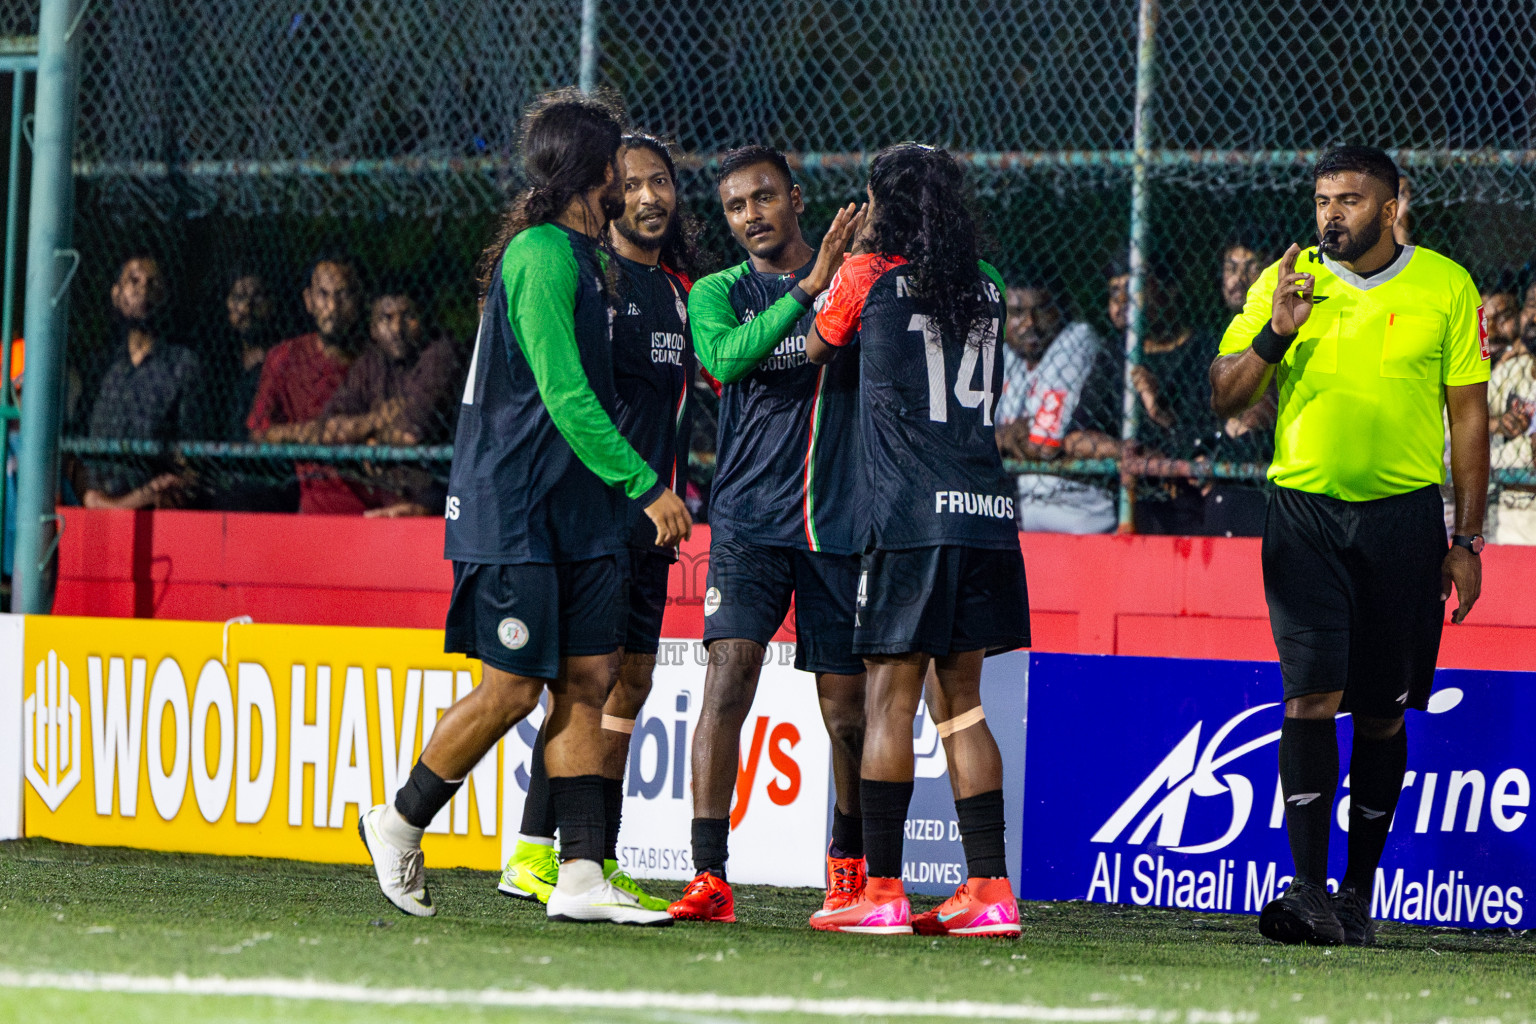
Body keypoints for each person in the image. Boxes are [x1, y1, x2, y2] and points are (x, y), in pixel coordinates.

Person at [357, 89, 689, 927]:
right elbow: (568, 396)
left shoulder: (588, 259)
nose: (629, 178)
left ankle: (579, 874)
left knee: (587, 679)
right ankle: (397, 820)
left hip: (574, 514)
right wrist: (646, 486)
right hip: (515, 511)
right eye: (617, 162)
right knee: (512, 690)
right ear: (593, 171)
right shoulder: (542, 253)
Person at [1210, 145, 1489, 947]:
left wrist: (1466, 538)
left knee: (1380, 714)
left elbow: (1468, 416)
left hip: (1403, 523)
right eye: (1324, 198)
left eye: (1351, 199)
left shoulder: (1445, 284)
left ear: (1394, 203)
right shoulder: (1287, 279)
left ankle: (1357, 895)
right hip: (1303, 518)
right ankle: (1306, 892)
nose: (1332, 213)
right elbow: (1225, 388)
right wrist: (1274, 333)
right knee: (1308, 697)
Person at [804, 143, 1029, 937]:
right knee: (961, 705)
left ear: (882, 205)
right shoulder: (990, 287)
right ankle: (990, 891)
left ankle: (884, 890)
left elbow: (816, 347)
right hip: (986, 512)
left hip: (909, 516)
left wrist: (854, 254)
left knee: (889, 701)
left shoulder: (868, 277)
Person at [498, 132, 699, 912]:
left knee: (630, 683)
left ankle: (594, 857)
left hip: (657, 517)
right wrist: (634, 488)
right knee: (586, 684)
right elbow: (570, 399)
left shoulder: (680, 290)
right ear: (608, 193)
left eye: (662, 182)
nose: (649, 196)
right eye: (633, 183)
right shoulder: (592, 280)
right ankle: (533, 852)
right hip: (603, 513)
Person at [666, 145, 866, 925]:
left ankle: (847, 869)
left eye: (764, 198)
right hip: (747, 518)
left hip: (834, 518)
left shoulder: (857, 282)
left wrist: (835, 279)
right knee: (726, 685)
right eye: (736, 206)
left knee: (847, 712)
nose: (751, 216)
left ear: (796, 200)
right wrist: (807, 292)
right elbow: (723, 359)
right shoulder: (719, 291)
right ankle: (709, 874)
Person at [317, 291, 461, 516]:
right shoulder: (370, 363)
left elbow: (409, 434)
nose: (397, 329)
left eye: (408, 316)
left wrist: (368, 439)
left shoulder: (439, 354)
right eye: (386, 318)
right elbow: (328, 430)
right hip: (384, 498)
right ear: (373, 329)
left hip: (442, 498)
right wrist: (374, 429)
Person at [245, 256, 370, 513]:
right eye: (323, 295)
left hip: (374, 502)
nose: (333, 307)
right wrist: (315, 433)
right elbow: (259, 431)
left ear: (359, 300)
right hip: (312, 503)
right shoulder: (285, 357)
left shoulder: (375, 359)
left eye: (343, 295)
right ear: (309, 301)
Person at [993, 276, 1117, 534]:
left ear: (1062, 309)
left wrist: (1006, 440)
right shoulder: (1008, 355)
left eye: (1040, 310)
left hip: (1080, 513)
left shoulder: (1076, 339)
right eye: (1017, 313)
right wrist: (1005, 437)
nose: (1030, 323)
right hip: (1024, 511)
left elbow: (1043, 444)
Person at [82, 255, 203, 510]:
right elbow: (78, 450)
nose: (143, 290)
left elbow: (190, 464)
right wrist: (91, 497)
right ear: (116, 295)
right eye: (133, 281)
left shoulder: (181, 365)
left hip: (152, 509)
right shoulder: (101, 367)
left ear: (164, 298)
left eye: (153, 284)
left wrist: (127, 503)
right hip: (94, 506)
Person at [1487, 282, 1536, 544]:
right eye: (1531, 306)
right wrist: (1497, 423)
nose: (1535, 316)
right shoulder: (1511, 371)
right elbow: (1465, 417)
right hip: (1505, 511)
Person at [221, 271, 277, 442]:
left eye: (257, 297)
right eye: (239, 297)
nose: (247, 308)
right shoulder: (221, 360)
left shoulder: (281, 360)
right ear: (227, 303)